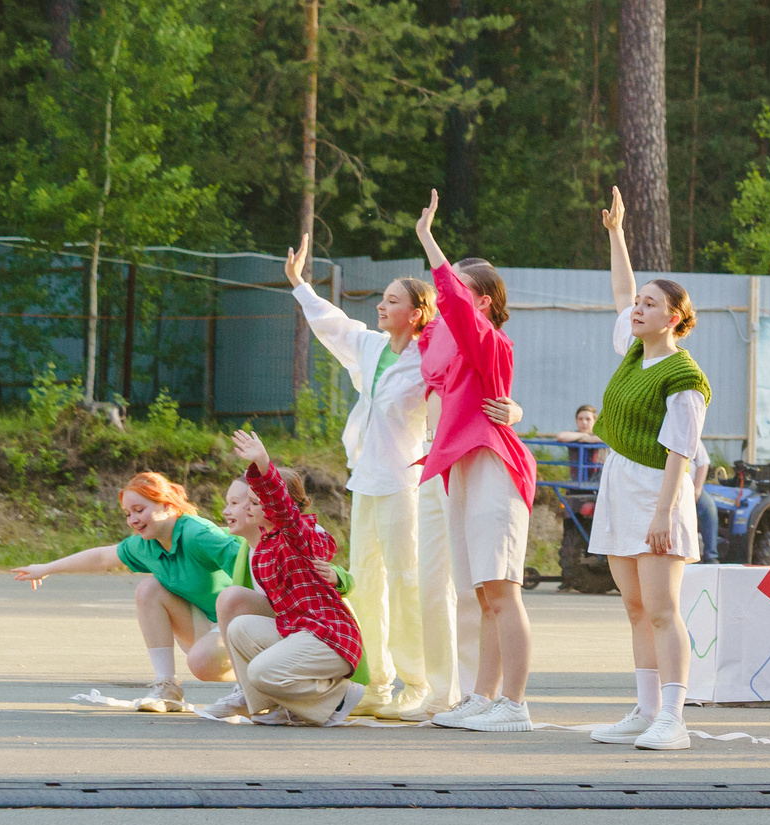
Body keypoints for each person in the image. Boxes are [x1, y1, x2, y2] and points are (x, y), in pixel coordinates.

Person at [285, 239, 458, 720]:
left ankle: (418, 683)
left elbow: (464, 391)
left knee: (407, 583)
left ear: (418, 313)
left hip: (407, 485)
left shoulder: (431, 357)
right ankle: (375, 684)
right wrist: (300, 284)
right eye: (382, 299)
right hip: (365, 481)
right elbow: (332, 325)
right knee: (363, 584)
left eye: (392, 300)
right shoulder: (371, 346)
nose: (381, 305)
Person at [586, 187, 714, 753]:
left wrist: (664, 514)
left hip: (658, 493)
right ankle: (644, 711)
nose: (637, 308)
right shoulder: (635, 352)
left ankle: (674, 718)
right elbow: (620, 288)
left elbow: (681, 454)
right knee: (635, 606)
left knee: (663, 609)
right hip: (619, 484)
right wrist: (616, 234)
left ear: (677, 320)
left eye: (650, 305)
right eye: (638, 303)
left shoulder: (683, 377)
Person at [413, 191, 540, 732]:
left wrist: (428, 240)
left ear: (482, 302)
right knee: (482, 593)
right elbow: (426, 335)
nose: (447, 299)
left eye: (459, 292)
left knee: (502, 591)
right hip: (462, 467)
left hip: (493, 463)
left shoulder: (489, 339)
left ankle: (515, 704)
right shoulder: (445, 343)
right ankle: (483, 697)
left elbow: (457, 313)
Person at [13, 472, 241, 711]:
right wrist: (46, 568)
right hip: (207, 624)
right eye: (127, 514)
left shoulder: (198, 534)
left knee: (202, 663)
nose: (133, 519)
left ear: (166, 505)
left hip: (241, 624)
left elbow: (250, 565)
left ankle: (254, 682)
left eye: (139, 510)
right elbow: (101, 557)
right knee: (148, 589)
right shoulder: (146, 544)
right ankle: (167, 688)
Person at [202, 428, 367, 726]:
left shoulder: (297, 534)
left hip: (328, 637)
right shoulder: (265, 543)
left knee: (262, 671)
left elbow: (282, 508)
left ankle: (339, 697)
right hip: (299, 631)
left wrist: (263, 463)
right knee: (239, 628)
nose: (248, 507)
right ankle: (270, 707)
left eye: (255, 501)